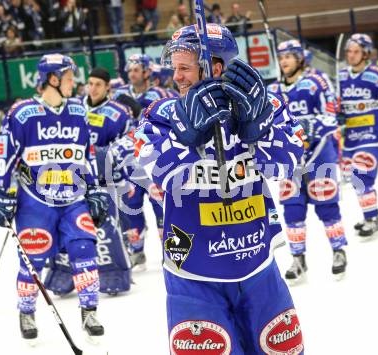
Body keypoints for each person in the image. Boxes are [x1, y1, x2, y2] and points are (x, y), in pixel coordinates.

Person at [130, 23, 305, 353]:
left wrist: (258, 129)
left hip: (258, 266)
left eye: (184, 68)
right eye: (175, 68)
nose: (176, 77)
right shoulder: (162, 114)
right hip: (193, 273)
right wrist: (186, 136)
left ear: (216, 67)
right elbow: (154, 172)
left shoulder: (264, 106)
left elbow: (287, 165)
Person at [0, 54, 108, 340]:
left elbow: (86, 155)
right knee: (33, 258)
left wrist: (95, 187)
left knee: (84, 248)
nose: (73, 83)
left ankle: (89, 311)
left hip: (73, 198)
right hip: (34, 201)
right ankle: (27, 312)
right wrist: (0, 192)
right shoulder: (21, 113)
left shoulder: (78, 112)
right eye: (68, 77)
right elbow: (4, 156)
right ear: (52, 79)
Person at [44, 67, 132, 297]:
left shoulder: (119, 113)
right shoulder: (72, 107)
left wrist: (106, 158)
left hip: (102, 179)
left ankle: (113, 274)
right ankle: (62, 274)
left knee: (103, 229)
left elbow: (129, 146)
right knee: (62, 225)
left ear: (107, 88)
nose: (92, 88)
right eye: (90, 83)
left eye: (98, 84)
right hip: (69, 179)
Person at [268, 40, 348, 283]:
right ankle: (298, 258)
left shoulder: (318, 82)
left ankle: (338, 251)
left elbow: (332, 116)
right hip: (290, 161)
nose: (283, 61)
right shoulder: (272, 92)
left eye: (289, 56)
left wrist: (310, 126)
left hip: (319, 154)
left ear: (300, 59)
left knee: (326, 205)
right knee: (292, 209)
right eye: (281, 57)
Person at [339, 33, 378, 238]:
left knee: (362, 176)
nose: (351, 55)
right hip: (350, 140)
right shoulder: (341, 76)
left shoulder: (377, 74)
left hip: (372, 136)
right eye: (349, 51)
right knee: (356, 180)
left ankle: (371, 219)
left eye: (356, 51)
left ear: (366, 53)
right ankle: (370, 215)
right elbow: (338, 107)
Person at [112, 54, 166, 270]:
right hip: (130, 164)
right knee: (129, 208)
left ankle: (170, 250)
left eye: (136, 69)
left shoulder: (159, 94)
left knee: (163, 207)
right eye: (130, 70)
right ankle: (136, 251)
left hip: (156, 163)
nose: (132, 74)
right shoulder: (119, 95)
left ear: (147, 72)